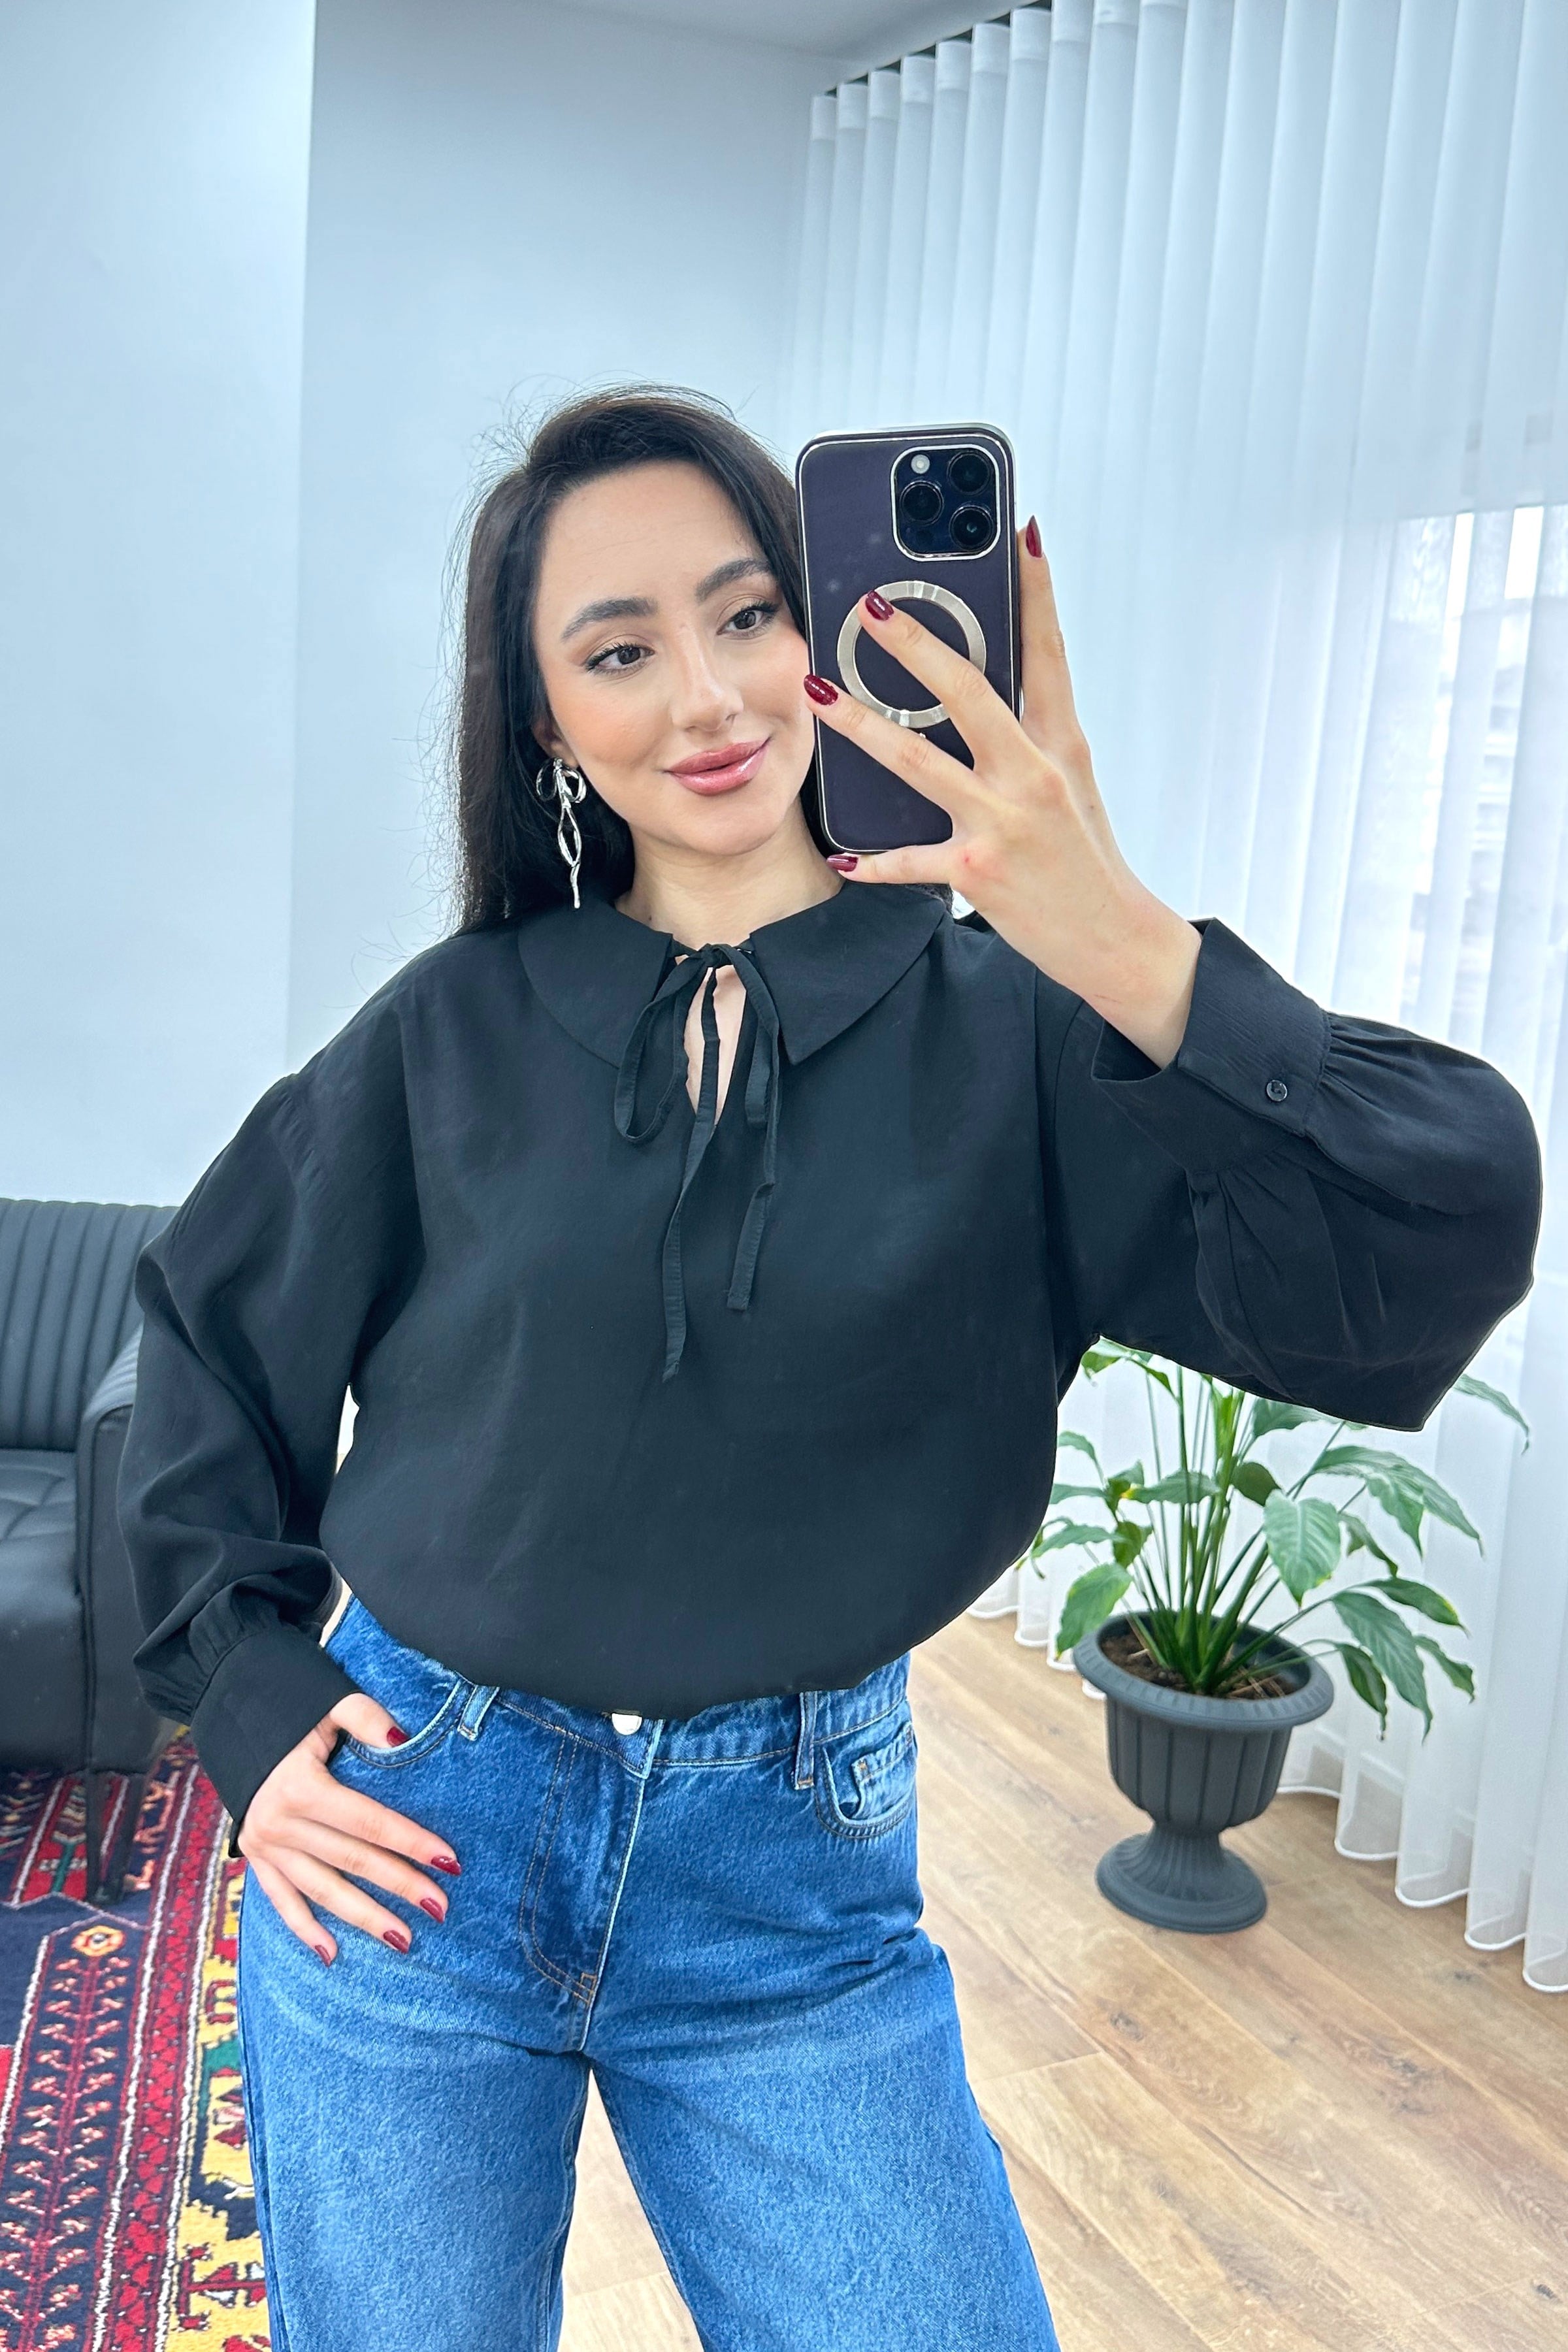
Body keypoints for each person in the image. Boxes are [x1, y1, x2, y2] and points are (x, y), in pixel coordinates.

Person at [119, 384, 1541, 2352]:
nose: (707, 697)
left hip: (792, 1883)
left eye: (748, 615)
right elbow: (205, 1332)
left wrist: (1111, 933)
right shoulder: (448, 1032)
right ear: (547, 725)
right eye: (620, 650)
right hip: (421, 1837)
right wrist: (253, 1705)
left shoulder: (1024, 1035)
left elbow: (1440, 1225)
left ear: (834, 631)